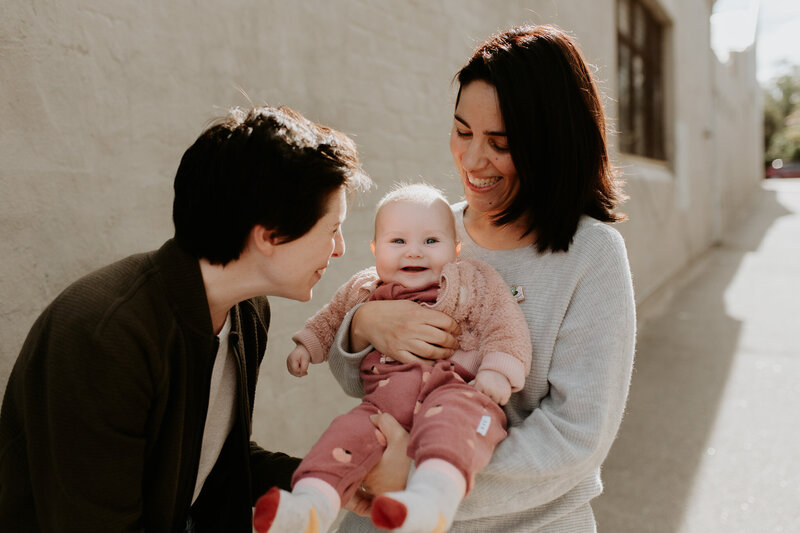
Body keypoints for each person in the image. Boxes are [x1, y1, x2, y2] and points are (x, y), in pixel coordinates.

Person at [0, 105, 401, 532]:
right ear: (269, 235)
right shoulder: (106, 336)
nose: (339, 249)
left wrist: (329, 477)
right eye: (331, 229)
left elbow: (213, 466)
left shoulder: (246, 312)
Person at [328, 25, 637, 532]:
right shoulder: (431, 231)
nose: (472, 160)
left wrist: (423, 480)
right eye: (462, 131)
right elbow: (360, 383)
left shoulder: (590, 255)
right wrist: (362, 326)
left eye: (500, 142)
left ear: (551, 144)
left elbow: (576, 435)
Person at [252, 183, 531, 533]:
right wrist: (308, 345)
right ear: (375, 250)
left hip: (454, 389)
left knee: (455, 428)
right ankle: (310, 506)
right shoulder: (364, 287)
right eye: (397, 242)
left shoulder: (470, 279)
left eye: (431, 242)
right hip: (382, 405)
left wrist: (498, 371)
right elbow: (332, 317)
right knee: (345, 434)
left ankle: (430, 501)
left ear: (456, 249)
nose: (414, 253)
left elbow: (504, 322)